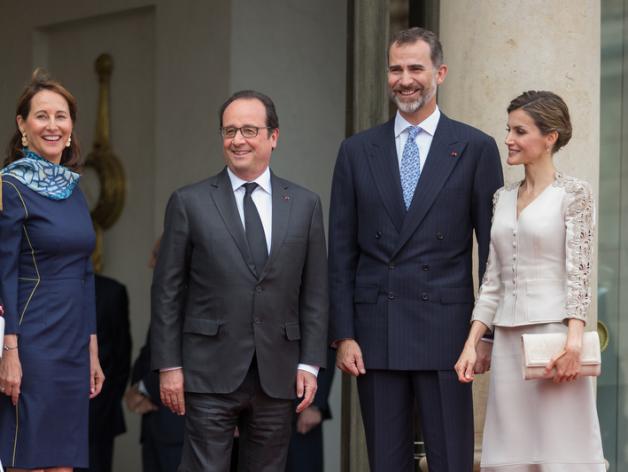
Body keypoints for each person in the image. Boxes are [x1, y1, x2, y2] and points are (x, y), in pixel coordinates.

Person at [328, 27, 504, 472]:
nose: (404, 79)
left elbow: (494, 253)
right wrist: (344, 333)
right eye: (395, 68)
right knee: (386, 463)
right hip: (375, 333)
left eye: (415, 68)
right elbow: (342, 251)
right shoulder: (355, 151)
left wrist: (483, 335)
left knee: (451, 461)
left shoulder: (476, 148)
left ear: (439, 73)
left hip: (447, 333)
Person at [151, 90, 328, 472]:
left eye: (249, 130)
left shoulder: (304, 204)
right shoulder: (189, 202)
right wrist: (168, 365)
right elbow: (167, 290)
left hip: (278, 372)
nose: (238, 140)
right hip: (208, 370)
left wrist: (310, 364)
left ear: (273, 136)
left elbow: (314, 291)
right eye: (229, 131)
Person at [455, 90, 606, 471]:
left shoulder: (574, 194)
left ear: (550, 137)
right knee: (509, 458)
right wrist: (473, 342)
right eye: (509, 129)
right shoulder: (501, 198)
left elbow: (580, 273)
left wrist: (574, 341)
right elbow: (493, 280)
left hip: (556, 345)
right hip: (507, 342)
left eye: (520, 131)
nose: (509, 139)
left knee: (562, 457)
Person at [0, 70, 105, 471]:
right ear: (22, 125)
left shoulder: (74, 190)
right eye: (41, 116)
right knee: (29, 461)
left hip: (72, 346)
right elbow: (3, 274)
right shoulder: (8, 188)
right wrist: (10, 351)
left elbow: (85, 273)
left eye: (61, 116)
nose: (53, 126)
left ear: (72, 126)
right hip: (31, 343)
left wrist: (92, 349)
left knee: (63, 463)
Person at [125, 239, 184, 472]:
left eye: (155, 255)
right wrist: (134, 388)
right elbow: (149, 352)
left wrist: (142, 389)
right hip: (154, 424)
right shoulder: (166, 297)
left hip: (179, 428)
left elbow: (184, 354)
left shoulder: (190, 298)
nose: (150, 263)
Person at [77, 274, 132, 472]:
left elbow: (122, 354)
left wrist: (107, 402)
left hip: (100, 410)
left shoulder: (112, 291)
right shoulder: (44, 287)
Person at [285, 349, 336, 472]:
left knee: (301, 463)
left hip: (302, 400)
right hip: (256, 399)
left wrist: (315, 404)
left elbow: (323, 337)